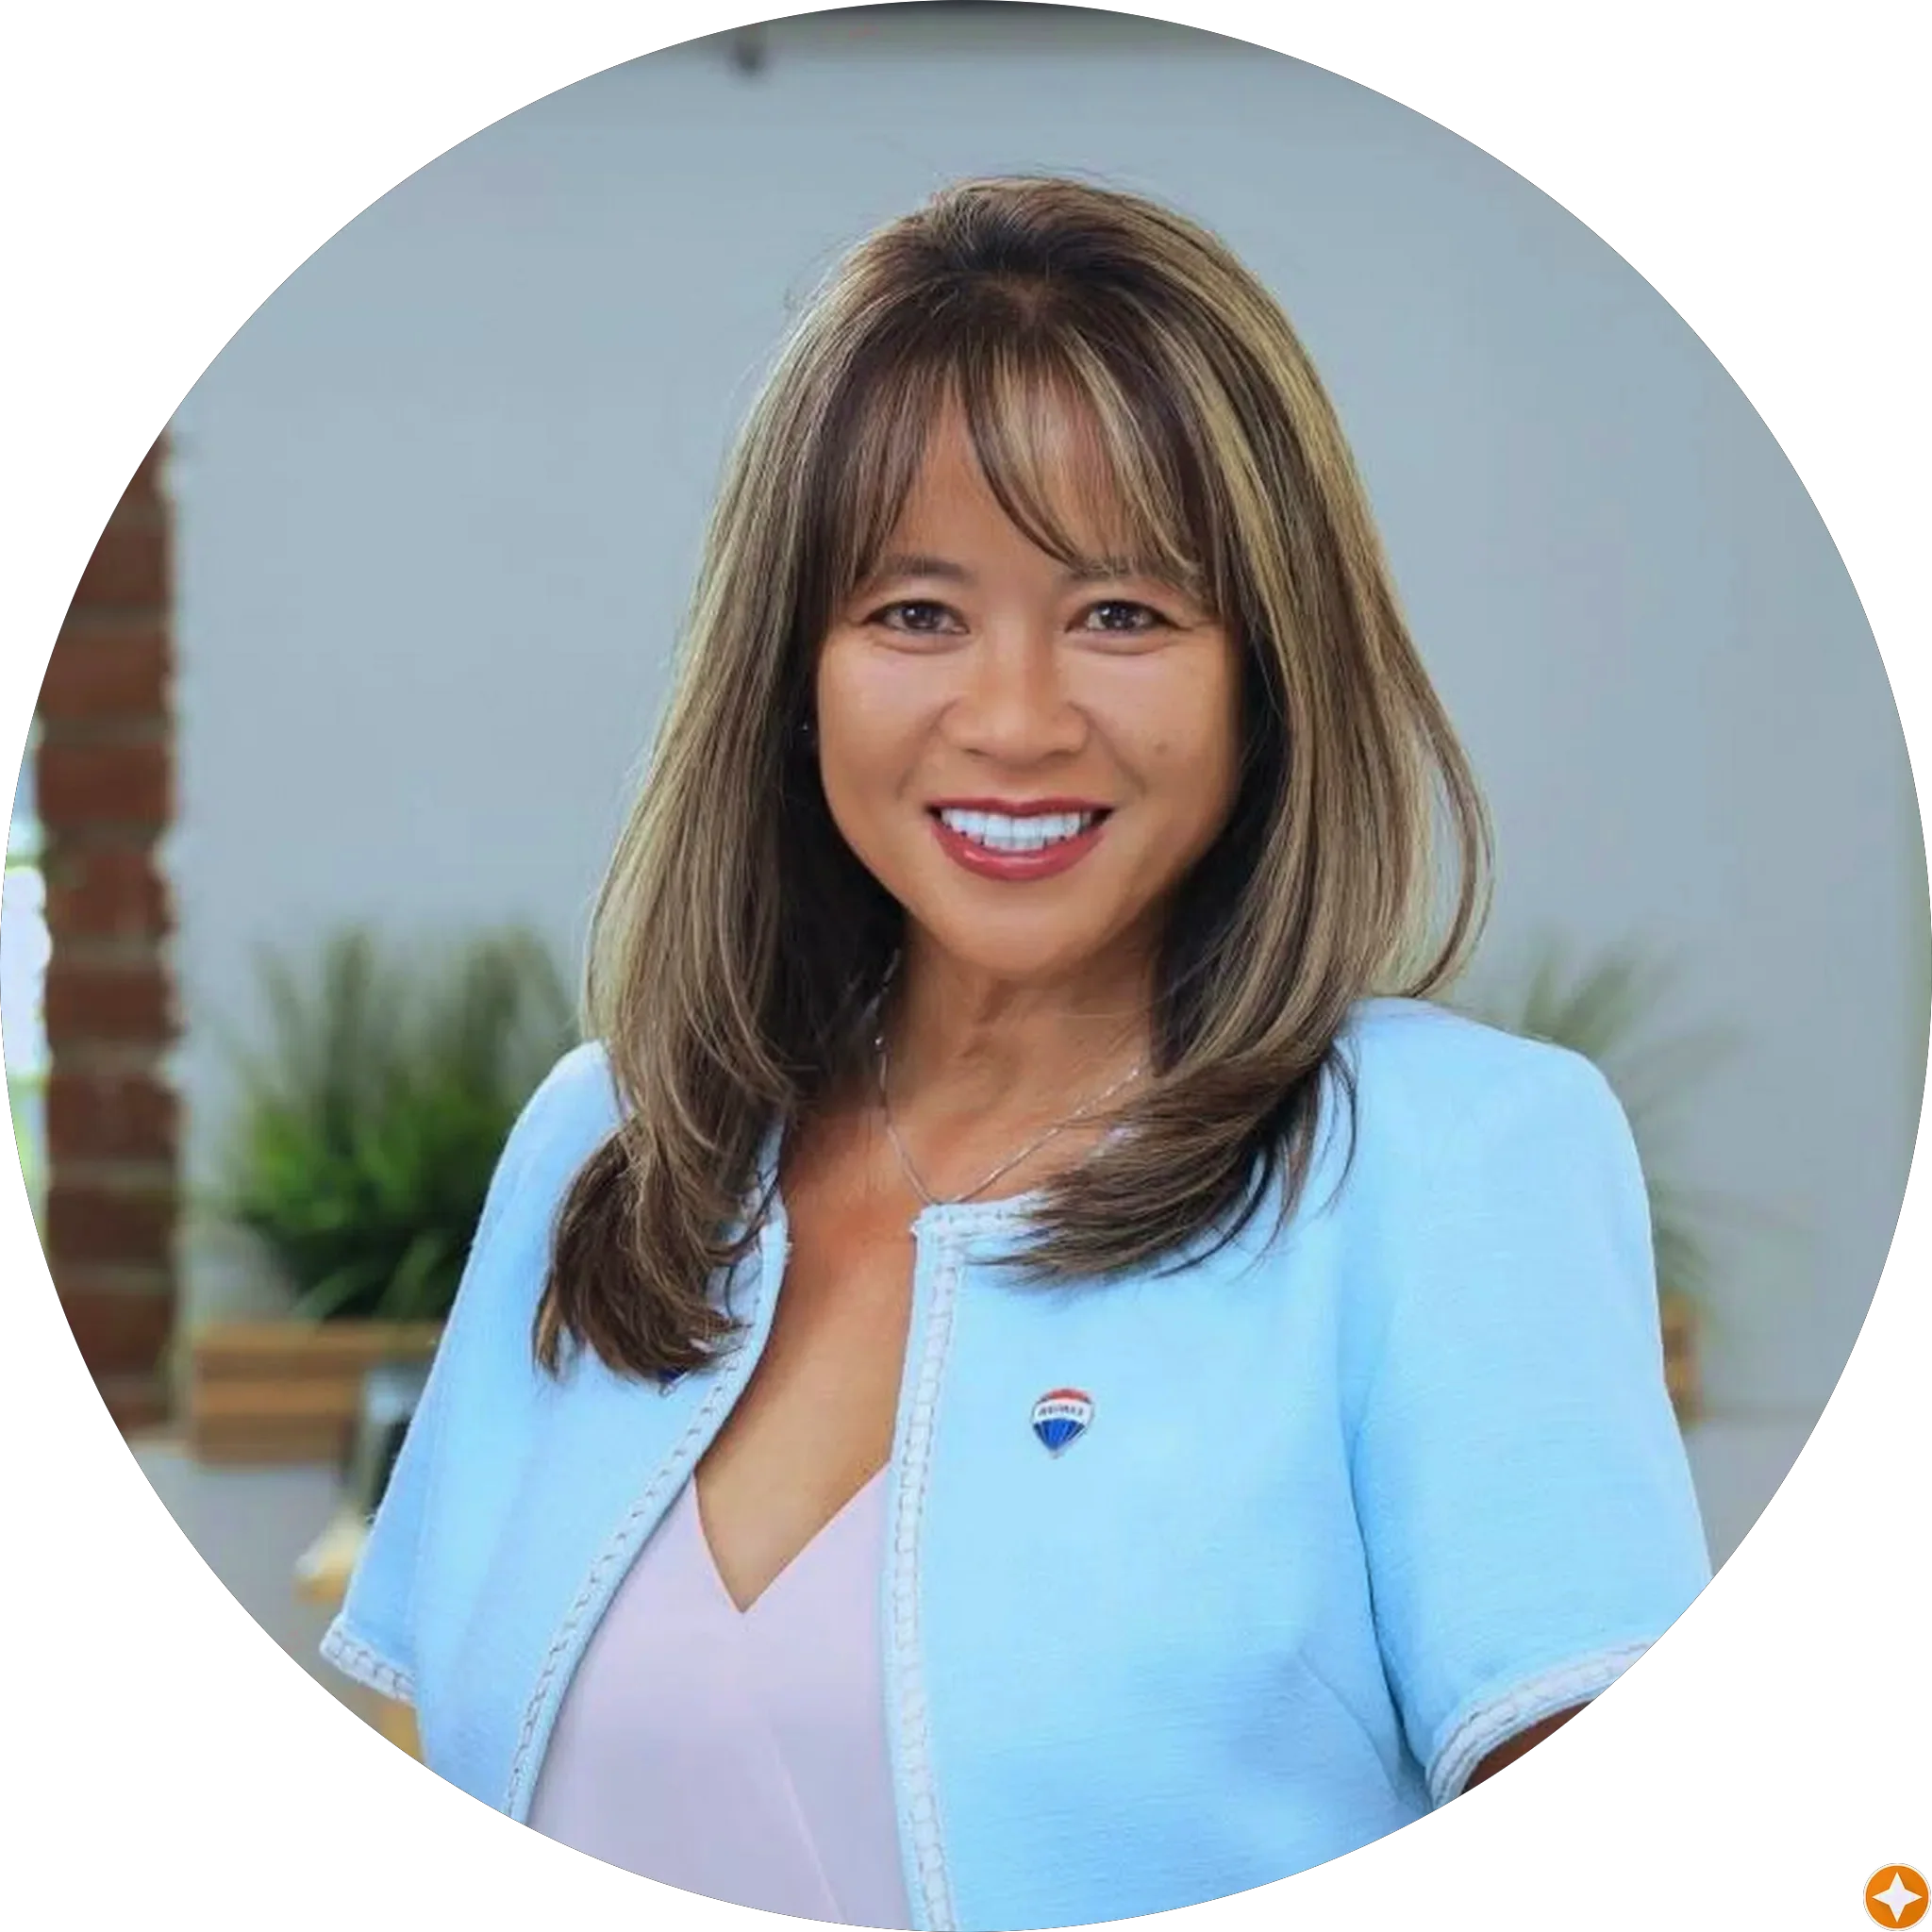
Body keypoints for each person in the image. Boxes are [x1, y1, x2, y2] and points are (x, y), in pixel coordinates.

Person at [323, 175, 1711, 1929]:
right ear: (792, 671)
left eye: (1123, 612)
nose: (1013, 720)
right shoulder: (611, 1140)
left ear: (1268, 674)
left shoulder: (1451, 1162)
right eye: (915, 612)